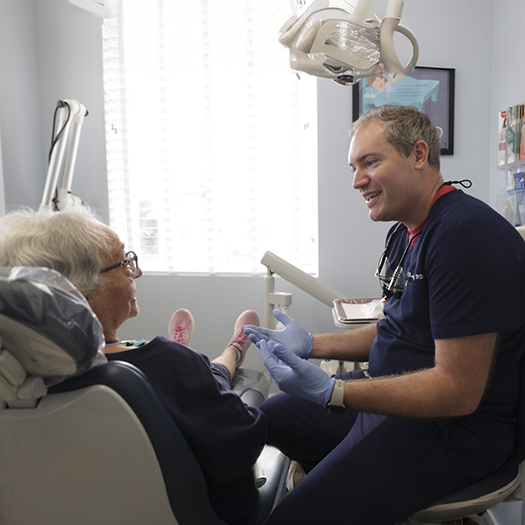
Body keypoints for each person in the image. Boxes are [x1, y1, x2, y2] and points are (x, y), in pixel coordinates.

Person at [244, 105, 525, 525]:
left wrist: (334, 392)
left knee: (292, 518)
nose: (357, 181)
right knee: (266, 416)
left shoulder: (464, 236)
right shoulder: (407, 229)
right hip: (391, 404)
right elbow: (395, 328)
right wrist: (310, 346)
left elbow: (457, 390)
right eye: (354, 166)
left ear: (418, 154)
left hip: (450, 431)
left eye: (371, 162)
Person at [0, 205, 266, 525]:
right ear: (80, 292)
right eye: (124, 262)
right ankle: (234, 350)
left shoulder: (13, 379)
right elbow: (240, 447)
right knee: (229, 381)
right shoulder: (163, 364)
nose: (135, 272)